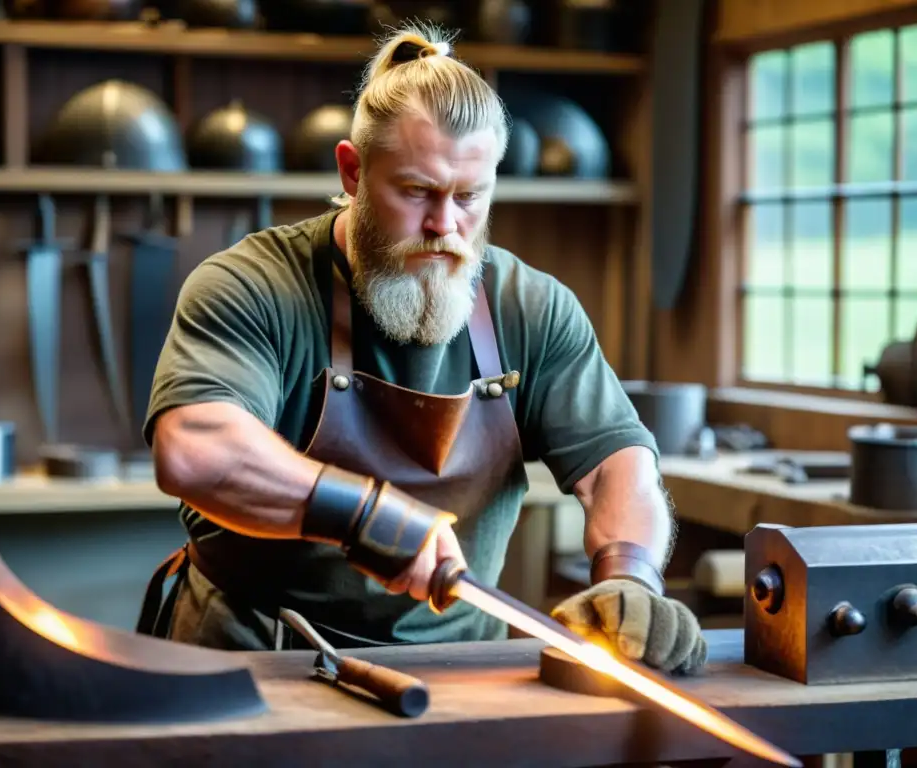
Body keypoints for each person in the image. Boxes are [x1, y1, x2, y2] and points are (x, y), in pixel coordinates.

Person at [136, 21, 707, 675]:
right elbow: (194, 449)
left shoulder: (532, 307)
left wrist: (631, 576)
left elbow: (618, 467)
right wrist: (364, 515)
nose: (445, 226)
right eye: (416, 193)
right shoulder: (253, 285)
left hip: (457, 668)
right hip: (256, 660)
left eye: (469, 197)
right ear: (352, 171)